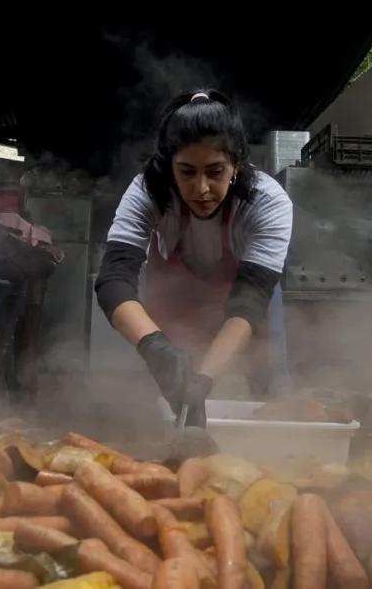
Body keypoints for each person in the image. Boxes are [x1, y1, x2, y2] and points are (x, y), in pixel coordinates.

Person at [94, 89, 294, 428]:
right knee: (164, 385)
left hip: (248, 299)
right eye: (186, 172)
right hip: (176, 291)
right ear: (169, 167)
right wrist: (155, 348)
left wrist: (204, 380)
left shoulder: (268, 202)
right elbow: (113, 280)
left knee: (267, 384)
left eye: (215, 172)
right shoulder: (147, 191)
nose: (201, 188)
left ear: (236, 164)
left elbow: (248, 306)